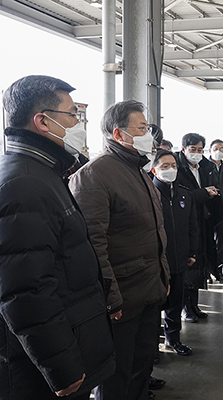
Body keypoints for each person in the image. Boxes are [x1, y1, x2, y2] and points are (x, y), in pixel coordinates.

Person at [0, 75, 115, 400]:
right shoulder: (24, 186)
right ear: (43, 121)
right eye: (72, 115)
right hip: (33, 375)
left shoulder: (38, 173)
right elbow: (27, 293)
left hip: (40, 361)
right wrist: (61, 370)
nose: (78, 123)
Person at [69, 100, 170, 400]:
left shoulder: (138, 171)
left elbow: (154, 232)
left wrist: (163, 277)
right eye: (142, 128)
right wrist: (111, 299)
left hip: (148, 291)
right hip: (121, 300)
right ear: (119, 134)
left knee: (141, 367)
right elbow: (92, 246)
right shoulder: (95, 175)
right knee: (116, 375)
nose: (148, 134)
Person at [151, 150, 198, 357]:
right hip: (155, 263)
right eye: (164, 166)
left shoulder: (184, 194)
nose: (171, 170)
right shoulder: (149, 193)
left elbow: (192, 226)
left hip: (179, 259)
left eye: (173, 166)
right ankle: (152, 348)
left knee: (175, 304)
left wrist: (193, 252)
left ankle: (174, 339)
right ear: (153, 169)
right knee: (153, 308)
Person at [175, 133, 222, 322]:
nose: (196, 153)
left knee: (200, 265)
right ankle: (186, 308)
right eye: (192, 149)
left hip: (202, 220)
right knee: (189, 265)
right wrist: (203, 193)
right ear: (184, 149)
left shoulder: (205, 168)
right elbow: (180, 196)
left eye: (200, 150)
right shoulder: (177, 168)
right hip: (185, 223)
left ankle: (194, 305)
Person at [209, 139, 223, 283]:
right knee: (207, 242)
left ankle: (219, 270)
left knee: (221, 242)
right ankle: (207, 270)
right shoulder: (204, 167)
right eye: (215, 148)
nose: (218, 151)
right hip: (208, 211)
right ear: (210, 150)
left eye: (221, 148)